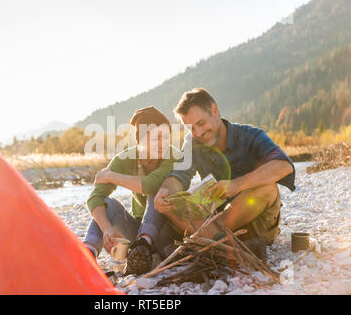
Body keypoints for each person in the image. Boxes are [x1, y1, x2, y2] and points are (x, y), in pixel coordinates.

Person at [154, 88, 296, 253]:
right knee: (168, 204)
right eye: (191, 128)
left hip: (256, 226)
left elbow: (284, 165)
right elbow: (178, 176)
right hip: (215, 220)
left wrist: (237, 185)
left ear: (215, 110)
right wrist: (165, 192)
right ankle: (219, 244)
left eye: (201, 123)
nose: (198, 133)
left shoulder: (250, 135)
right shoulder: (192, 143)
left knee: (268, 188)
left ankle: (207, 242)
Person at [83, 106, 182, 275]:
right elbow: (95, 198)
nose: (163, 143)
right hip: (136, 233)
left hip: (169, 235)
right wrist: (107, 228)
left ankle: (144, 244)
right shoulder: (124, 160)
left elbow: (151, 185)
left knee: (158, 191)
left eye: (166, 137)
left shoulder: (174, 155)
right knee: (108, 204)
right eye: (156, 138)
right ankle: (86, 256)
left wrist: (111, 176)